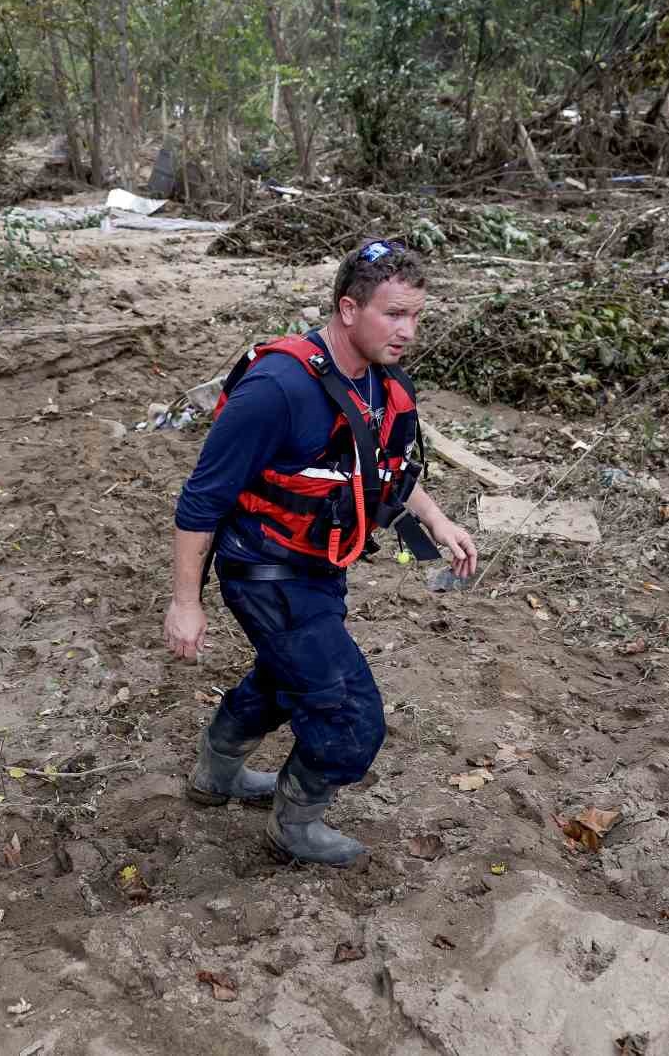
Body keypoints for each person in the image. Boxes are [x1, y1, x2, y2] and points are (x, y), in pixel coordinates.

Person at [163, 241, 477, 869]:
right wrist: (184, 602)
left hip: (319, 566)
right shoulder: (277, 389)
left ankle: (216, 772)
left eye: (416, 316)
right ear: (348, 308)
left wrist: (437, 520)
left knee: (288, 676)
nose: (407, 331)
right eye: (394, 314)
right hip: (265, 571)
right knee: (350, 717)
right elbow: (200, 500)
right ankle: (293, 825)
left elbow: (385, 468)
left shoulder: (380, 382)